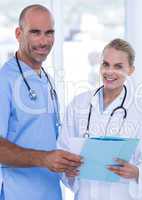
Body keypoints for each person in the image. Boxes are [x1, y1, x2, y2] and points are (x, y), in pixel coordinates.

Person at [57, 38, 142, 200]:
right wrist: (68, 170)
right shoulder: (78, 104)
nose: (109, 72)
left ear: (131, 70)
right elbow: (63, 150)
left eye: (118, 66)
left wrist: (136, 172)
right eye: (105, 64)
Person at [0, 4, 82, 200]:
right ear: (19, 33)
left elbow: (49, 138)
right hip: (18, 194)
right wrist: (44, 159)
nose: (44, 41)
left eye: (49, 33)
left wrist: (68, 161)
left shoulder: (47, 80)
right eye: (35, 32)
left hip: (51, 192)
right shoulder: (5, 80)